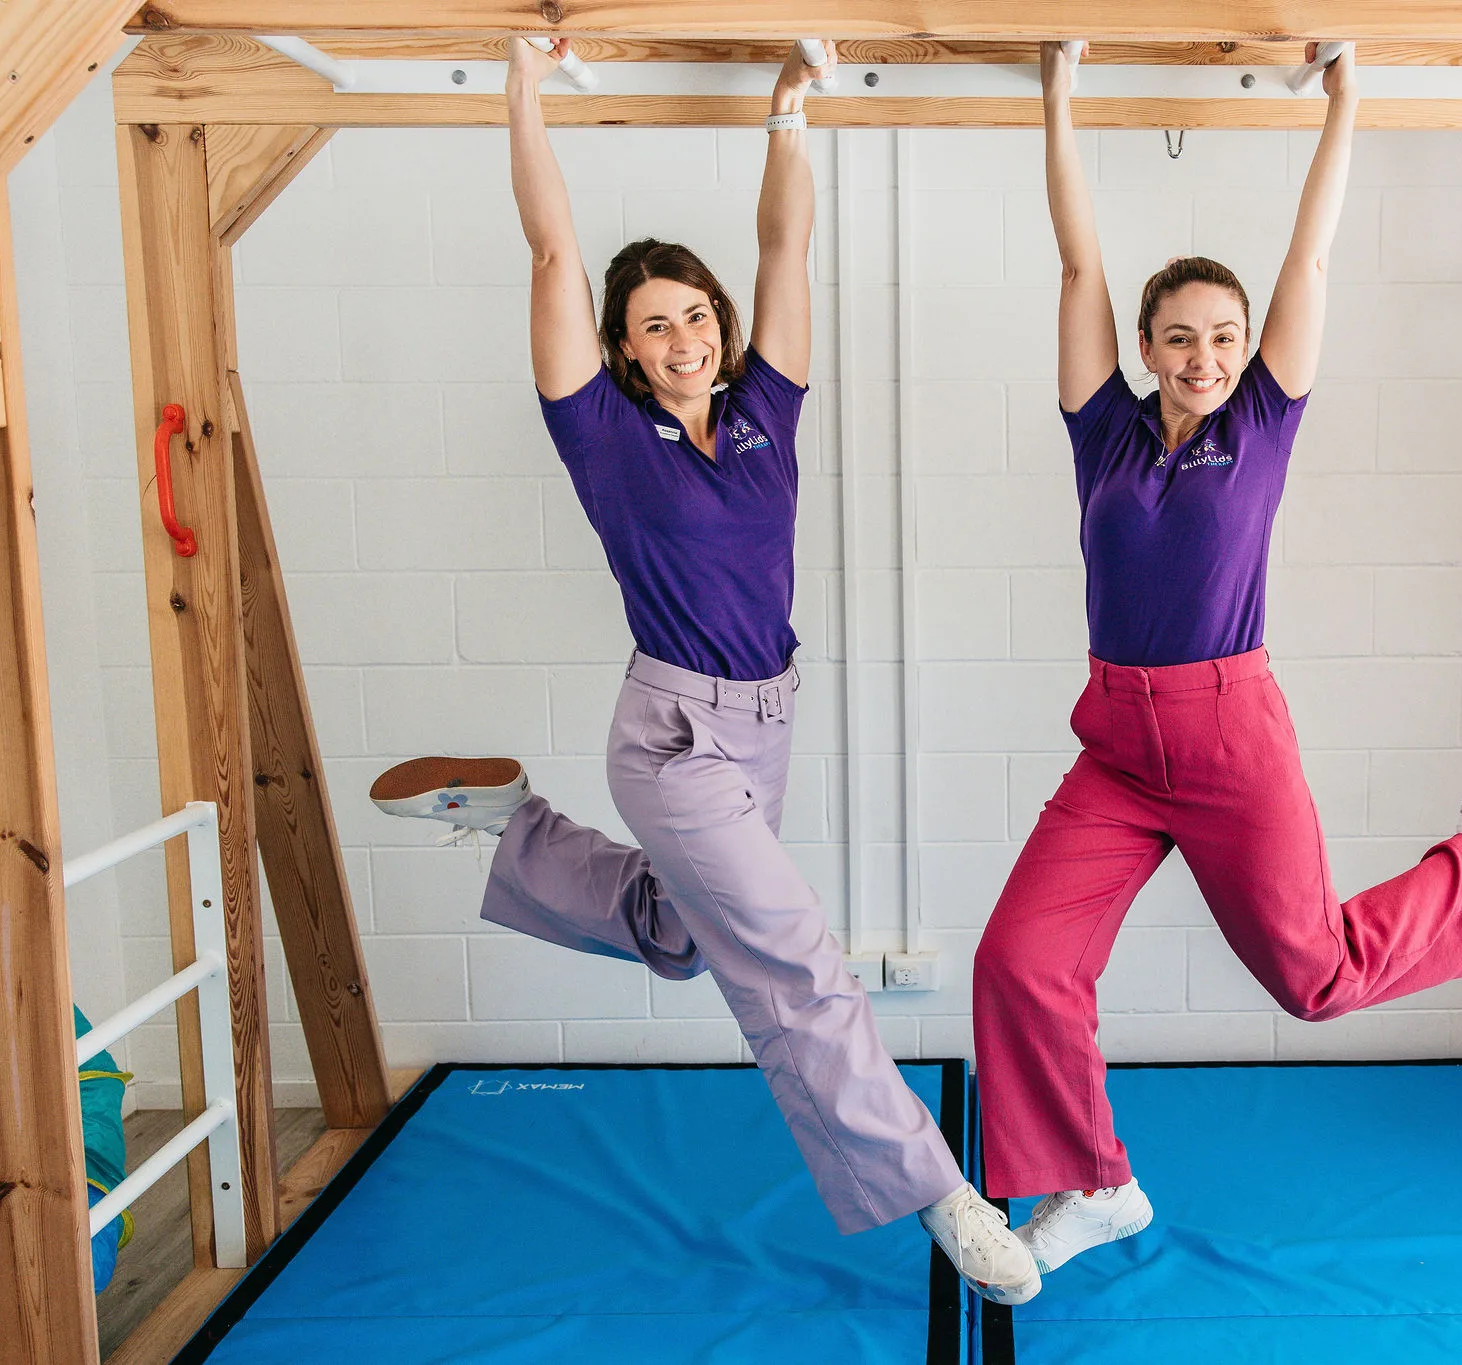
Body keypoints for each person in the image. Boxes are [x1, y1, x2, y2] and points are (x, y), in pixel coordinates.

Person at [367, 36, 1040, 1305]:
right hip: (671, 737)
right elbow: (552, 252)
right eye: (652, 326)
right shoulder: (600, 434)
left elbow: (785, 247)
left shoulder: (767, 408)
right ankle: (939, 1194)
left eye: (693, 314)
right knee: (793, 963)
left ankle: (511, 824)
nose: (679, 337)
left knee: (683, 936)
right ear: (621, 351)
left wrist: (789, 113)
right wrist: (523, 92)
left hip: (768, 721)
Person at [971, 42, 1462, 1280]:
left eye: (1223, 336)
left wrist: (1345, 101)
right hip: (1115, 745)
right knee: (1019, 959)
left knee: (1314, 979)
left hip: (1227, 734)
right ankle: (1095, 1185)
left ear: (1247, 343)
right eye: (1178, 338)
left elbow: (1308, 257)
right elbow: (1078, 261)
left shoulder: (1260, 419)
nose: (1202, 356)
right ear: (1144, 345)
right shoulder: (1100, 433)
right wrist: (1058, 94)